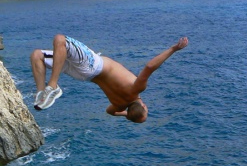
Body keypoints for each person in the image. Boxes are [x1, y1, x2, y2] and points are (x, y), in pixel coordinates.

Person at [30, 35, 189, 123]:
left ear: (144, 105)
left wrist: (173, 49)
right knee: (38, 56)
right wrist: (126, 114)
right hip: (84, 76)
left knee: (60, 40)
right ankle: (41, 94)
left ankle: (52, 86)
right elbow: (110, 112)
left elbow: (149, 67)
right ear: (128, 112)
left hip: (92, 64)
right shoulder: (118, 105)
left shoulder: (136, 89)